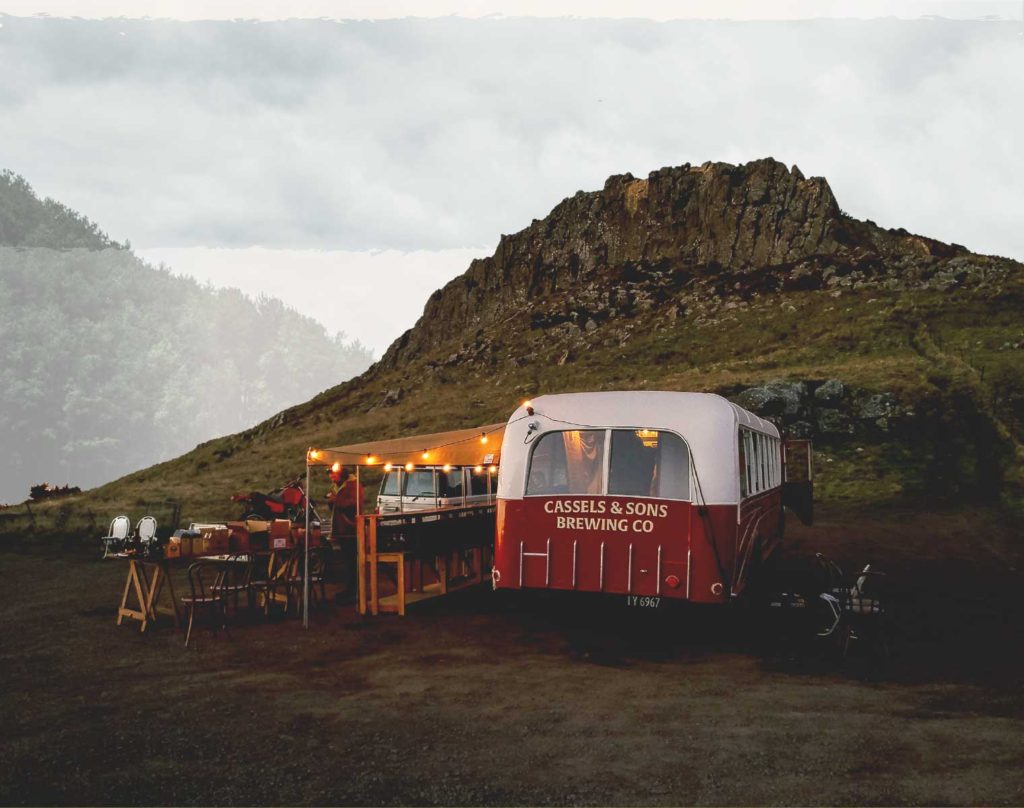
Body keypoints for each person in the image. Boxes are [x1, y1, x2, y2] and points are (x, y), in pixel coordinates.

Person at [326, 463, 363, 598]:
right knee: (348, 562)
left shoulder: (353, 486)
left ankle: (354, 591)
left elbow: (353, 504)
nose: (332, 479)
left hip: (350, 529)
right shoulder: (339, 487)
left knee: (352, 562)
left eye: (334, 476)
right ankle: (351, 589)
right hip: (343, 529)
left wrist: (335, 500)